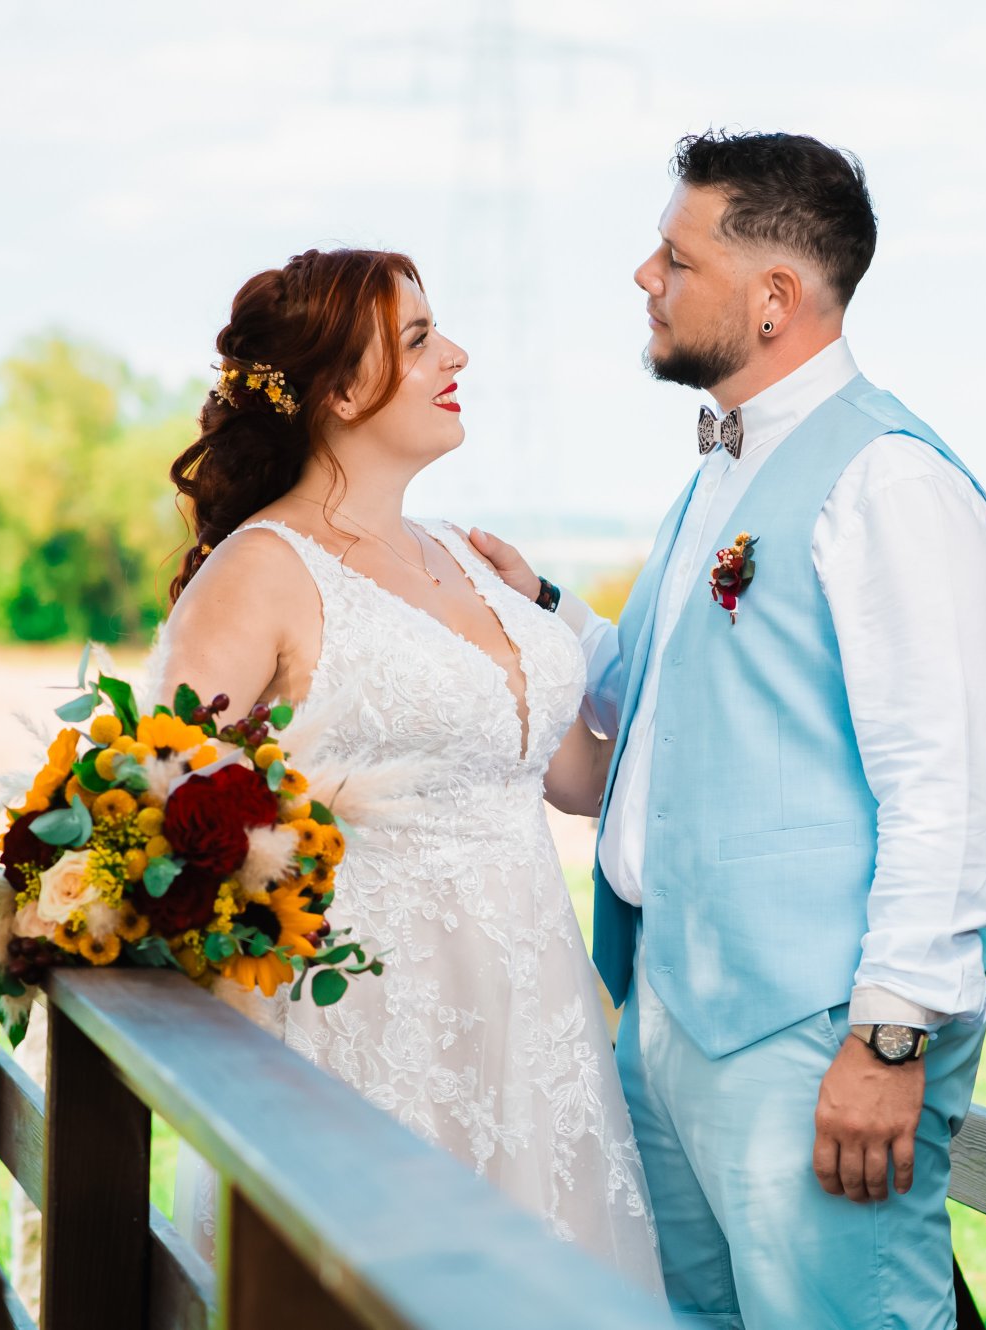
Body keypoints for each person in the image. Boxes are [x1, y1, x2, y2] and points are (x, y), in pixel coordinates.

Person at [470, 130, 986, 1329]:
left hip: (809, 1031)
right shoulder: (719, 473)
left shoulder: (889, 482)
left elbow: (945, 783)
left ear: (772, 298)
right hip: (668, 1010)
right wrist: (541, 608)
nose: (644, 276)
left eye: (676, 257)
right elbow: (664, 703)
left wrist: (888, 1036)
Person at [150, 247, 660, 1289]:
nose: (455, 354)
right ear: (339, 391)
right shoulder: (260, 572)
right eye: (420, 339)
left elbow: (575, 780)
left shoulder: (469, 556)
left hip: (539, 1029)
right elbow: (161, 814)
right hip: (368, 1028)